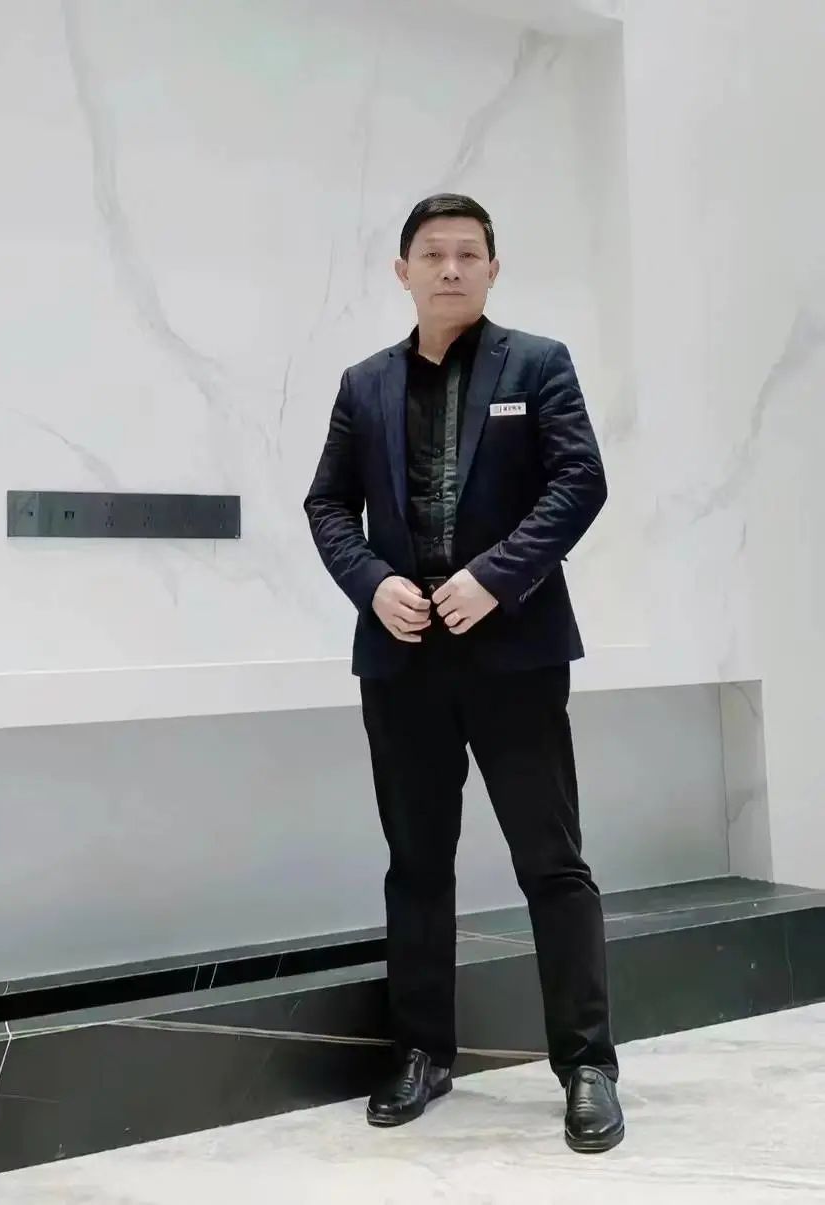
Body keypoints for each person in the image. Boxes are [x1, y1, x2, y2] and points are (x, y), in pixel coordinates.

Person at [304, 193, 624, 1154]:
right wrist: (373, 583)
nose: (451, 268)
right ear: (402, 270)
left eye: (469, 253)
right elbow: (328, 505)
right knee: (415, 863)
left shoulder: (538, 363)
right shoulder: (363, 384)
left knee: (552, 863)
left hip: (514, 653)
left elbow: (580, 481)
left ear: (492, 268)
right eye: (434, 254)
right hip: (401, 663)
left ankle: (588, 1065)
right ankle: (421, 1051)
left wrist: (496, 576)